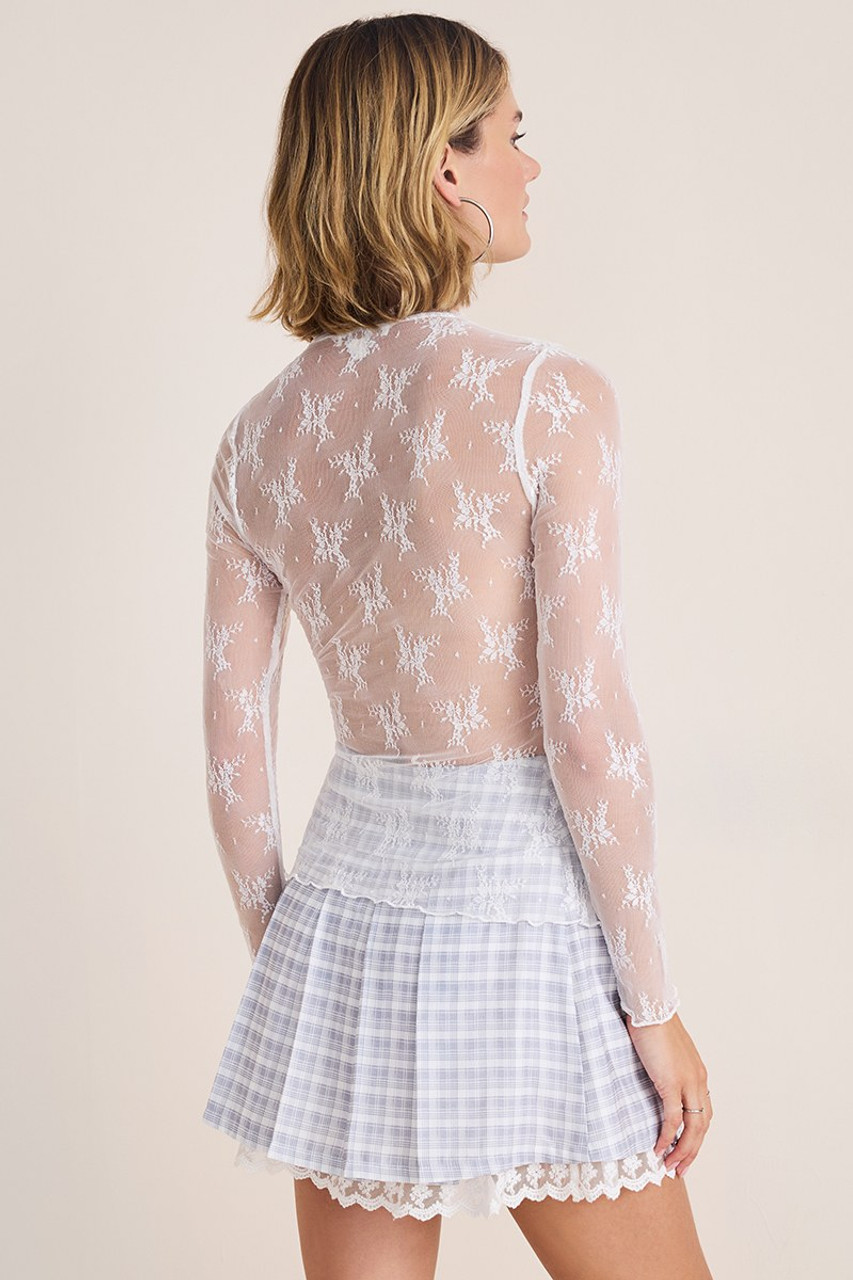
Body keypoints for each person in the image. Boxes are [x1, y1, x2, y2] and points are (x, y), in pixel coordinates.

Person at [200, 14, 714, 1280]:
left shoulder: (256, 439)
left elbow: (233, 759)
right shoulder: (549, 397)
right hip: (523, 916)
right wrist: (652, 1005)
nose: (528, 166)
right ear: (444, 166)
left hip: (339, 922)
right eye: (510, 137)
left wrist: (295, 968)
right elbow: (586, 733)